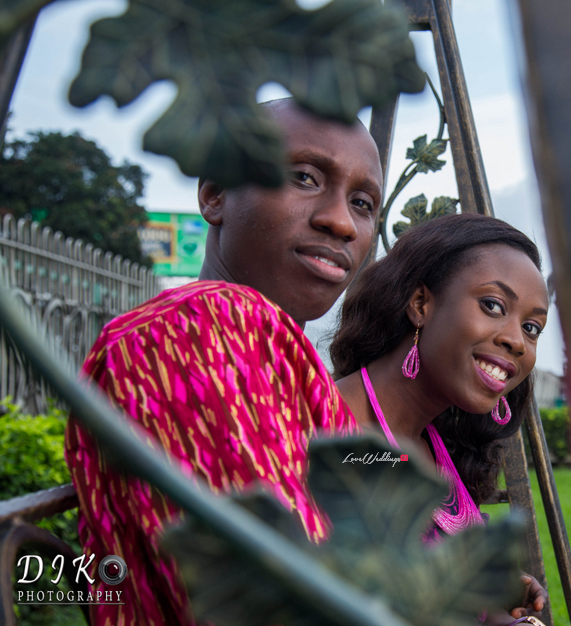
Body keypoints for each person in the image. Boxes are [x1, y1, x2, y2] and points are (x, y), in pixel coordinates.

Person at [65, 99, 383, 626]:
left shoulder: (281, 353)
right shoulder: (193, 328)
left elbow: (367, 465)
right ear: (215, 195)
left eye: (364, 203)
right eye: (303, 177)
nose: (341, 222)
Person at [331, 213, 551, 624]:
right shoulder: (333, 431)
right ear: (421, 304)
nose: (517, 341)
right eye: (492, 305)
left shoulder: (431, 444)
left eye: (532, 327)